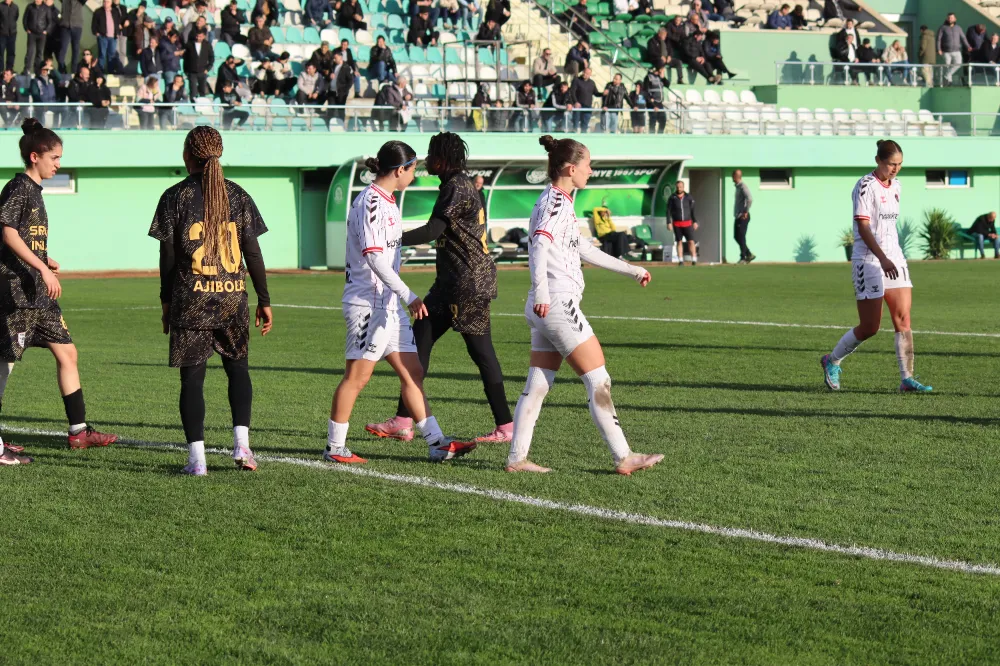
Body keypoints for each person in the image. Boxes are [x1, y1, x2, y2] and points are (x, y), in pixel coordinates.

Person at [505, 135, 660, 475]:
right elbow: (539, 245)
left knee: (538, 384)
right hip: (556, 304)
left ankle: (517, 459)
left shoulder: (558, 201)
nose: (591, 170)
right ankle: (623, 456)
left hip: (546, 306)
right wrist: (542, 293)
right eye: (587, 164)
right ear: (570, 168)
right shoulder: (555, 203)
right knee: (598, 378)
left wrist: (631, 269)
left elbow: (584, 249)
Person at [367, 133, 513, 445]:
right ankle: (403, 420)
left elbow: (434, 230)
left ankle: (506, 426)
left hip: (468, 282)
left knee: (481, 352)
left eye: (432, 153)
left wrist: (389, 238)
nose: (427, 159)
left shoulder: (457, 185)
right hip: (450, 283)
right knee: (419, 339)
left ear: (443, 158)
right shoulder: (455, 184)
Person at [329, 140, 470, 464]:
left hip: (389, 306)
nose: (415, 175)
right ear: (399, 170)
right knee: (357, 377)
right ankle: (334, 447)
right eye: (413, 169)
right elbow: (375, 259)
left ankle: (437, 443)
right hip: (368, 304)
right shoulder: (370, 203)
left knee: (413, 372)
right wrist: (410, 295)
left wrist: (399, 298)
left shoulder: (389, 202)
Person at [148, 126, 272, 476]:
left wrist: (166, 302)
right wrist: (264, 298)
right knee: (238, 370)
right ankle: (242, 447)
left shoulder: (174, 196)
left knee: (192, 380)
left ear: (188, 154)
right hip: (233, 298)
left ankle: (197, 461)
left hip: (191, 300)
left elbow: (168, 257)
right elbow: (252, 252)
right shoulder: (238, 195)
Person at [0, 118, 120, 466]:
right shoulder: (18, 188)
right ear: (35, 156)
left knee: (68, 353)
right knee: (4, 363)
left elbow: (23, 237)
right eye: (54, 158)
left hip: (39, 294)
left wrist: (43, 259)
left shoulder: (35, 191)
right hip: (17, 292)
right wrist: (39, 267)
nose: (58, 164)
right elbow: (7, 232)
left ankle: (79, 432)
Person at [821, 140, 931, 394]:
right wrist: (882, 258)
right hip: (869, 261)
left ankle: (907, 379)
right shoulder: (865, 186)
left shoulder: (897, 186)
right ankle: (832, 360)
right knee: (870, 326)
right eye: (891, 164)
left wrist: (891, 257)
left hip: (895, 258)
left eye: (899, 164)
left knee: (903, 319)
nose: (895, 169)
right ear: (878, 161)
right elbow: (863, 227)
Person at [667, 180, 697, 266]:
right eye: (677, 187)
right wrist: (668, 222)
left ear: (683, 187)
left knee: (691, 241)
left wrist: (694, 221)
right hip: (677, 224)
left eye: (680, 187)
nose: (679, 188)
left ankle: (694, 259)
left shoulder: (689, 197)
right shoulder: (672, 197)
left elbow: (692, 210)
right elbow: (668, 211)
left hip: (688, 223)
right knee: (679, 241)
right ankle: (680, 260)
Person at [938, 13, 971, 87]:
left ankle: (947, 75)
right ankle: (949, 81)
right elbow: (938, 39)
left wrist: (968, 46)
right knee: (947, 67)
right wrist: (939, 49)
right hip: (946, 51)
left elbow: (963, 37)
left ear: (955, 19)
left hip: (957, 50)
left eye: (952, 18)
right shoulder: (943, 28)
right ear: (947, 19)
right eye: (949, 18)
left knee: (958, 64)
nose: (950, 19)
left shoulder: (958, 28)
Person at [23, 0, 53, 75]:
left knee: (39, 53)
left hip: (41, 34)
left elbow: (49, 21)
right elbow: (25, 19)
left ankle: (37, 70)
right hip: (32, 33)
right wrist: (27, 29)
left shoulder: (46, 8)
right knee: (30, 52)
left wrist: (46, 30)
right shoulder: (30, 7)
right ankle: (27, 70)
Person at [93, 0, 123, 74]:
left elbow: (118, 22)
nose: (106, 3)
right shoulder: (98, 12)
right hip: (102, 36)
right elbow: (94, 24)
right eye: (104, 1)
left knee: (111, 55)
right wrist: (96, 33)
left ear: (111, 3)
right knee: (102, 54)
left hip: (113, 37)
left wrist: (117, 32)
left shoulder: (115, 12)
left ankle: (111, 71)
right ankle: (101, 72)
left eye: (108, 2)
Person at [731, 169, 753, 263]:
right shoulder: (737, 187)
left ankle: (743, 257)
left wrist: (746, 211)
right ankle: (749, 254)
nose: (732, 177)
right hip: (738, 216)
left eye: (733, 176)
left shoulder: (743, 186)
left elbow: (750, 199)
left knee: (741, 236)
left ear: (736, 176)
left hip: (743, 216)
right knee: (736, 236)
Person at [184, 28, 213, 98]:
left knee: (202, 91)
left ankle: (202, 103)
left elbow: (211, 58)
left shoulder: (207, 45)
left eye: (200, 36)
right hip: (192, 72)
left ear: (204, 36)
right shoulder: (189, 44)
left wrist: (208, 69)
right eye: (197, 36)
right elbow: (186, 59)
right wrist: (186, 70)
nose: (198, 38)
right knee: (193, 91)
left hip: (202, 71)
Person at [58, 0, 84, 74]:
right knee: (62, 49)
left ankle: (74, 71)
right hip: (65, 27)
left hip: (77, 26)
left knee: (75, 49)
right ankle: (61, 70)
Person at [570, 67, 598, 133]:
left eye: (587, 73)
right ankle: (574, 134)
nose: (585, 74)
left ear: (590, 74)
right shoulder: (576, 80)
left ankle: (583, 135)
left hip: (588, 106)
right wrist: (575, 102)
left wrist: (603, 94)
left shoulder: (591, 83)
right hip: (578, 106)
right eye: (584, 72)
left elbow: (596, 93)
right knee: (576, 123)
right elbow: (572, 92)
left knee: (585, 124)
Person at [643, 64, 666, 133]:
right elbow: (645, 91)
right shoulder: (648, 77)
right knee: (653, 120)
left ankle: (660, 135)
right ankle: (651, 135)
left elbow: (667, 84)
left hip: (659, 102)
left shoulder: (660, 77)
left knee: (663, 120)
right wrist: (652, 104)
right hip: (652, 102)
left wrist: (663, 77)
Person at [0, 0, 18, 72]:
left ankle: (9, 70)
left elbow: (16, 17)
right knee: (0, 52)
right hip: (2, 34)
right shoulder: (0, 6)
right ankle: (1, 70)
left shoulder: (15, 7)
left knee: (11, 52)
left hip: (12, 34)